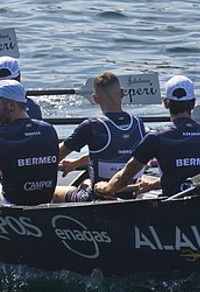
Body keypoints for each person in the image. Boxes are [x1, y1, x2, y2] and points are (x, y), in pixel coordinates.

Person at [94, 75, 200, 199]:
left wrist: (105, 187)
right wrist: (152, 185)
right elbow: (185, 174)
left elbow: (125, 177)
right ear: (194, 103)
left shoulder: (157, 137)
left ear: (166, 103)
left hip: (172, 206)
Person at [53, 72, 148, 202]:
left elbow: (57, 155)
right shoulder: (139, 124)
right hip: (131, 195)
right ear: (122, 94)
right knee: (85, 182)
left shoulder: (93, 126)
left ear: (95, 98)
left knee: (54, 192)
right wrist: (75, 163)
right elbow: (112, 153)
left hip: (98, 197)